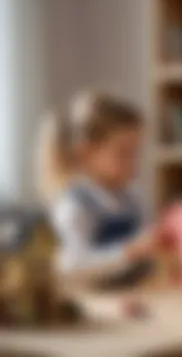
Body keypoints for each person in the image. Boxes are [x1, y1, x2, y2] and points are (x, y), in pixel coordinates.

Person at [39, 91, 152, 282]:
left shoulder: (132, 199)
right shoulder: (74, 205)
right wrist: (128, 252)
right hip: (92, 299)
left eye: (135, 153)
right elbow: (72, 265)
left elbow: (144, 247)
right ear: (87, 153)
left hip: (130, 293)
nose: (133, 164)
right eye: (123, 153)